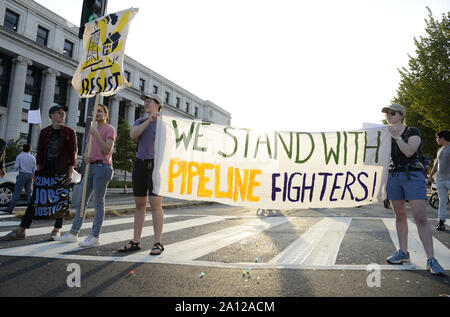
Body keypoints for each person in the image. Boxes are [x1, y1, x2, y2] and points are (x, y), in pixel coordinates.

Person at [382, 104, 445, 276]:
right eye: (387, 113)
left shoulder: (412, 131)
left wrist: (397, 138)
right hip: (393, 177)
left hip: (413, 176)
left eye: (392, 113)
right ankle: (403, 252)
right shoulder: (384, 133)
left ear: (401, 115)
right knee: (400, 217)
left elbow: (409, 152)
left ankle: (431, 259)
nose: (389, 116)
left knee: (420, 218)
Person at [0, 105, 77, 241]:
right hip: (45, 170)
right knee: (35, 199)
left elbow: (73, 153)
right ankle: (21, 230)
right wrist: (36, 170)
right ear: (52, 115)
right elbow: (40, 153)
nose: (62, 115)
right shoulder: (45, 132)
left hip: (61, 170)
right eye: (59, 113)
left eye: (63, 113)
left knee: (60, 199)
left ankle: (56, 230)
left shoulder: (70, 132)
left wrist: (70, 173)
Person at [57, 104, 115, 247]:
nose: (97, 113)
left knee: (98, 201)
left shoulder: (109, 129)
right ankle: (73, 233)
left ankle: (94, 236)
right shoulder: (92, 130)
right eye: (95, 111)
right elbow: (87, 151)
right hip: (90, 167)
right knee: (82, 200)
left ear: (106, 114)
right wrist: (86, 157)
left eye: (100, 111)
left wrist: (96, 134)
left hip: (103, 166)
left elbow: (107, 150)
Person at [118, 93, 164, 255]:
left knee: (155, 204)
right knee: (140, 205)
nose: (146, 103)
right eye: (145, 101)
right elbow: (133, 135)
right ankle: (136, 241)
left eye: (149, 101)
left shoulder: (164, 124)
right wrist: (148, 121)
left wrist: (156, 120)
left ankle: (157, 242)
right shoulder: (140, 121)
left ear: (158, 104)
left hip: (156, 166)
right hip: (140, 165)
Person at [0, 144, 36, 213]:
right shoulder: (33, 157)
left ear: (23, 149)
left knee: (16, 192)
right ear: (30, 149)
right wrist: (33, 177)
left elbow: (16, 167)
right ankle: (30, 209)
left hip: (22, 174)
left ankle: (10, 208)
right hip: (29, 176)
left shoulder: (19, 156)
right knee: (29, 193)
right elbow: (34, 169)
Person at [428, 129, 450, 231]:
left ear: (442, 138)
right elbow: (436, 164)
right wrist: (431, 174)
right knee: (442, 201)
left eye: (437, 138)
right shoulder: (440, 150)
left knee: (443, 201)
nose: (436, 140)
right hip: (441, 180)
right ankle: (441, 222)